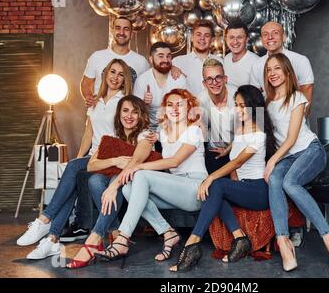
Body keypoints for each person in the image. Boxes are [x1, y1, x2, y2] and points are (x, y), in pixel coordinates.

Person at [16, 59, 132, 260]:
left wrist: (77, 165)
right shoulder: (95, 100)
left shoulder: (125, 102)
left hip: (112, 158)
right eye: (112, 72)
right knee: (74, 173)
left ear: (125, 80)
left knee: (73, 170)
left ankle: (45, 220)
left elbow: (127, 134)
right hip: (93, 157)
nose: (115, 77)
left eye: (121, 74)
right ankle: (52, 239)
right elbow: (89, 132)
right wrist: (79, 160)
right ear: (105, 74)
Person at [169, 85, 276, 272]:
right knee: (215, 191)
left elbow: (237, 163)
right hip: (243, 187)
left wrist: (210, 178)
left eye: (243, 106)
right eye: (236, 105)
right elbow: (233, 159)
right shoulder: (240, 130)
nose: (238, 110)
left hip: (258, 191)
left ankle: (192, 243)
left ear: (254, 106)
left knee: (215, 184)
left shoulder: (259, 134)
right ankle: (239, 238)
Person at [95, 89, 208, 263]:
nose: (175, 109)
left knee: (140, 175)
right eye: (170, 105)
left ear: (189, 107)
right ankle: (168, 233)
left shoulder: (194, 131)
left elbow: (174, 161)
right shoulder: (163, 133)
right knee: (127, 189)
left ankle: (122, 239)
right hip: (176, 189)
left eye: (180, 105)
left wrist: (138, 166)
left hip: (195, 190)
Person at [263, 53, 329, 272]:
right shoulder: (267, 102)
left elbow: (291, 139)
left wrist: (271, 161)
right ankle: (284, 242)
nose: (272, 73)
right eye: (269, 69)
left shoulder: (297, 97)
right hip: (287, 156)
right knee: (274, 181)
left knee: (290, 183)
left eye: (277, 69)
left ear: (287, 72)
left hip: (310, 150)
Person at [66, 95, 154, 269]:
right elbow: (92, 165)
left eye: (135, 112)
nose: (129, 116)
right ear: (119, 113)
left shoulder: (146, 135)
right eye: (125, 110)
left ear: (141, 115)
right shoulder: (112, 135)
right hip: (111, 174)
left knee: (112, 179)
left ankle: (94, 238)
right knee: (95, 181)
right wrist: (115, 160)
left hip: (133, 179)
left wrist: (113, 187)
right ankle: (114, 230)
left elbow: (134, 163)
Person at [80, 17, 150, 109]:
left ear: (131, 34)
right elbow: (86, 84)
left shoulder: (141, 61)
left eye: (126, 29)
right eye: (118, 28)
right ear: (112, 31)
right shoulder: (97, 57)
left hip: (127, 119)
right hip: (99, 115)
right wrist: (88, 97)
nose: (121, 32)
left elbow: (148, 89)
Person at [250, 21, 314, 118]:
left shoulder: (300, 60)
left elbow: (307, 94)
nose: (270, 37)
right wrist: (260, 128)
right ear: (262, 40)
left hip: (295, 118)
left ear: (283, 37)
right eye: (265, 34)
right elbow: (256, 98)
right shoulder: (257, 65)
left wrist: (298, 123)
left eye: (275, 33)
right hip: (270, 122)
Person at [134, 42, 188, 135]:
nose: (166, 60)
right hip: (148, 129)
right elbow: (135, 112)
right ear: (151, 59)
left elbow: (188, 108)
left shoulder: (179, 79)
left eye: (168, 56)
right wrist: (144, 103)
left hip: (175, 129)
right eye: (160, 56)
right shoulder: (142, 80)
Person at [198, 58, 236, 174]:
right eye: (209, 79)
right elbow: (199, 130)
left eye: (218, 77)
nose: (214, 82)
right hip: (215, 148)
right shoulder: (200, 99)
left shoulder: (237, 95)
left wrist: (229, 148)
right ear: (204, 83)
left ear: (225, 79)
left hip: (238, 145)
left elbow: (250, 129)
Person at [172, 19, 223, 96]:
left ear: (212, 40)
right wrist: (170, 68)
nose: (202, 38)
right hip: (187, 107)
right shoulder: (177, 62)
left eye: (207, 35)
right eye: (198, 34)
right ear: (192, 38)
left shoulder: (221, 62)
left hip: (212, 107)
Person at [223, 21, 259, 88]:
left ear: (247, 39)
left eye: (239, 37)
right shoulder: (226, 59)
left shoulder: (256, 62)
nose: (235, 41)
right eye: (231, 37)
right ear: (226, 39)